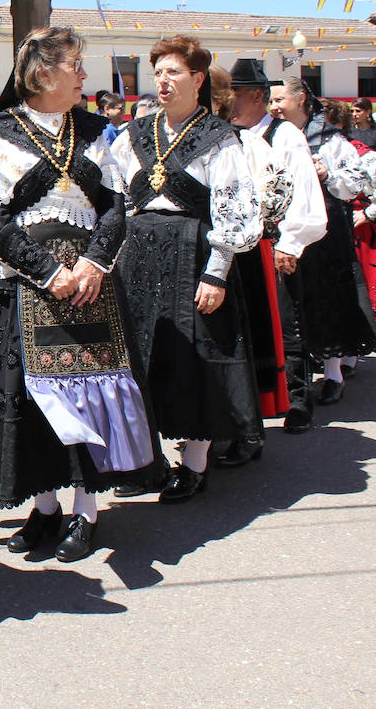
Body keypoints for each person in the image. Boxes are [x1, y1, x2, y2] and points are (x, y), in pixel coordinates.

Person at [0, 27, 160, 560]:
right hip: (27, 282)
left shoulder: (97, 130)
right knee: (37, 402)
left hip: (90, 284)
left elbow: (114, 207)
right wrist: (49, 272)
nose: (84, 74)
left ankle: (87, 510)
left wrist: (95, 264)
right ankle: (46, 507)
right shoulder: (3, 133)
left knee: (90, 393)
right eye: (75, 64)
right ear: (43, 73)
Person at [111, 35, 263, 503]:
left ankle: (193, 464)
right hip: (137, 256)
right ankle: (143, 461)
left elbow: (235, 209)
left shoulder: (219, 139)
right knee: (139, 357)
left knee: (193, 357)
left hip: (192, 253)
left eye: (173, 72)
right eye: (158, 72)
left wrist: (216, 271)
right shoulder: (134, 135)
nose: (163, 81)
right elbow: (114, 197)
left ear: (197, 80)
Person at [224, 58, 327, 439]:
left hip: (274, 242)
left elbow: (303, 189)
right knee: (251, 325)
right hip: (243, 245)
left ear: (256, 96)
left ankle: (298, 399)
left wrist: (291, 243)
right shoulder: (231, 135)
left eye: (235, 94)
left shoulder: (283, 135)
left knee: (286, 324)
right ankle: (259, 398)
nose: (230, 102)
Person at [269, 77, 376, 405]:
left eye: (280, 99)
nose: (274, 106)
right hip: (285, 230)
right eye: (271, 101)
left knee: (325, 298)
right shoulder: (271, 137)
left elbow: (358, 182)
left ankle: (333, 374)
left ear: (301, 98)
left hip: (326, 234)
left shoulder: (329, 139)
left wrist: (327, 174)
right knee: (291, 305)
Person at [326, 100, 376, 342]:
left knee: (357, 289)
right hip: (327, 230)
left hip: (356, 232)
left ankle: (351, 351)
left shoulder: (357, 151)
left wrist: (368, 213)